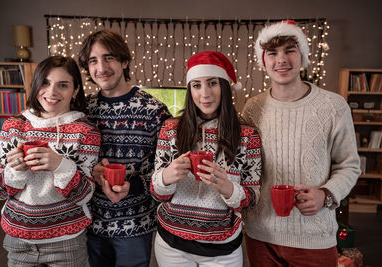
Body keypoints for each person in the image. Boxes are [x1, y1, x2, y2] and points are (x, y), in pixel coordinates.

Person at [242, 20, 361, 267]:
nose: (281, 59)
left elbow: (349, 166)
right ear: (263, 60)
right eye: (272, 53)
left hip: (314, 238)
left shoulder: (333, 106)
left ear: (303, 56)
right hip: (260, 235)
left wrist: (326, 194)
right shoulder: (252, 108)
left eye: (290, 50)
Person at [151, 51, 262, 267]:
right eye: (196, 85)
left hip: (223, 249)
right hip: (172, 244)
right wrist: (166, 177)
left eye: (212, 83)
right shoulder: (170, 129)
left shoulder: (247, 135)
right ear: (189, 90)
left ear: (224, 86)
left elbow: (252, 197)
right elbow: (157, 193)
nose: (205, 94)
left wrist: (228, 188)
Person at [0, 56, 101, 267]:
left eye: (63, 85)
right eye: (45, 83)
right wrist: (15, 171)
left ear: (75, 90)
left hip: (67, 241)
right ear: (36, 84)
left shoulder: (86, 132)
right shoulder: (13, 126)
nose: (51, 92)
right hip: (18, 239)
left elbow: (84, 194)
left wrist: (61, 165)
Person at [78, 29, 172, 267]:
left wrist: (135, 185)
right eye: (93, 60)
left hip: (135, 222)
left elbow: (168, 169)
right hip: (92, 220)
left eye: (108, 57)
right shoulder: (83, 110)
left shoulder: (154, 110)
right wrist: (91, 172)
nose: (101, 67)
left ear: (124, 61)